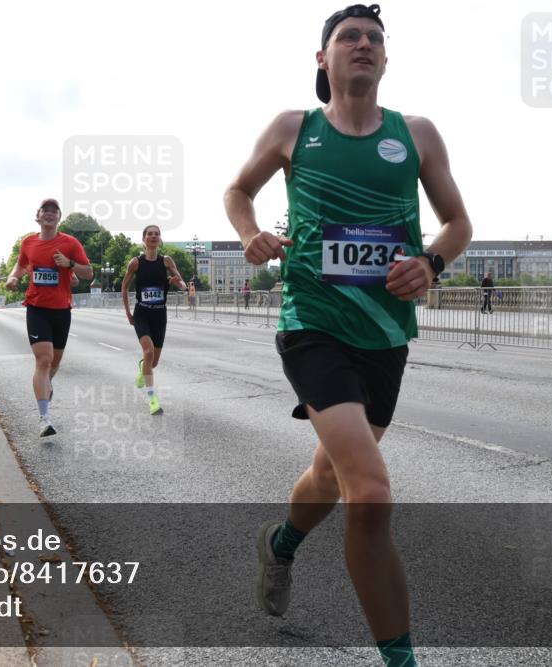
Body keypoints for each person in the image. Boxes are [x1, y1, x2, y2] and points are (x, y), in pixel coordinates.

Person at [223, 5, 472, 666]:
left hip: (386, 333)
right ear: (322, 59)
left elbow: (457, 223)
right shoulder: (292, 129)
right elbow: (237, 190)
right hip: (312, 326)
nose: (364, 45)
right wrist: (251, 235)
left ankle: (279, 543)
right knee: (371, 491)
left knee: (330, 474)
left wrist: (432, 263)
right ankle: (401, 658)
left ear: (386, 60)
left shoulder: (415, 135)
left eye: (374, 39)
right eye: (349, 37)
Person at [5, 198, 92, 437]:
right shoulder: (29, 242)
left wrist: (69, 264)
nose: (50, 214)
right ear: (38, 216)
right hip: (36, 308)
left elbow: (88, 272)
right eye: (46, 210)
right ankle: (44, 418)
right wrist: (13, 277)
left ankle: (47, 384)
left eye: (54, 211)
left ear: (59, 217)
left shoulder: (70, 243)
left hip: (62, 310)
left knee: (54, 363)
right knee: (43, 360)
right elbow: (20, 265)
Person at [120, 224, 188, 416]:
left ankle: (143, 366)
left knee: (153, 361)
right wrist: (128, 313)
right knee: (148, 351)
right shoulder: (136, 263)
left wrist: (177, 283)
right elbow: (124, 287)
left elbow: (182, 283)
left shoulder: (166, 261)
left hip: (160, 315)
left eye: (156, 234)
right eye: (150, 234)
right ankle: (152, 400)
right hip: (142, 314)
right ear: (144, 239)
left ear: (160, 239)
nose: (153, 236)